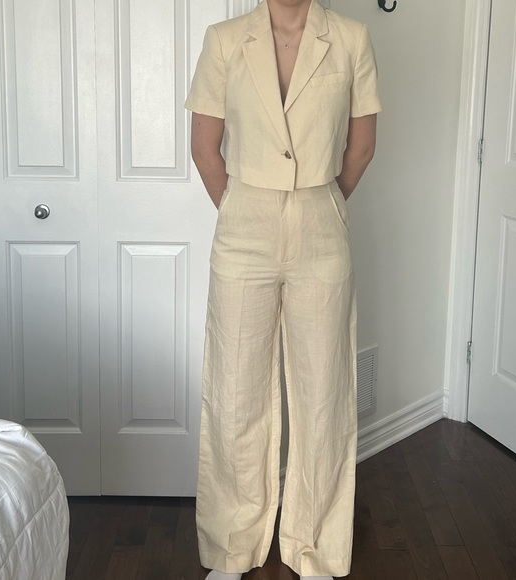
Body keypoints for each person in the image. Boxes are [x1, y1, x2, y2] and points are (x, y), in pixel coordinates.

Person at [185, 0, 380, 578]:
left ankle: (314, 547)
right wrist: (240, 208)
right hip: (245, 220)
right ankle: (232, 544)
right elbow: (205, 147)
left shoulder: (351, 38)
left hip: (321, 218)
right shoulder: (225, 39)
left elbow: (361, 146)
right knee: (235, 388)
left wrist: (323, 203)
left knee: (324, 393)